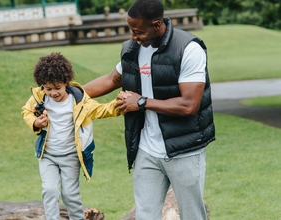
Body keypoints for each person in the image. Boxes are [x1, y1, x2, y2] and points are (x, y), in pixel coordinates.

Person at [83, 0, 215, 219]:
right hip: (146, 149)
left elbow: (189, 105)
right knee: (145, 215)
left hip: (184, 149)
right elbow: (111, 79)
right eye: (131, 31)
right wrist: (69, 96)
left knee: (192, 215)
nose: (133, 37)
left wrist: (142, 102)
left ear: (156, 24)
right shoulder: (132, 49)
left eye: (138, 31)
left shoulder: (189, 48)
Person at [21, 52, 120, 220]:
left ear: (66, 82)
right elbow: (26, 111)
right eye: (48, 88)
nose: (53, 93)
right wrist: (36, 122)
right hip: (48, 156)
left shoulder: (79, 100)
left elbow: (101, 110)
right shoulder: (39, 97)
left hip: (71, 156)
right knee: (49, 191)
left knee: (70, 195)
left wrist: (119, 104)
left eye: (57, 88)